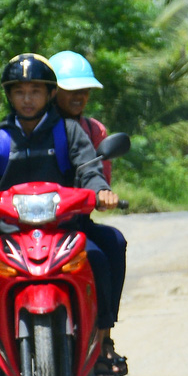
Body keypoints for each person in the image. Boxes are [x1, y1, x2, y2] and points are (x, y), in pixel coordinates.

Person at [0, 54, 123, 376]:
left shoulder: (69, 131)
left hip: (66, 230)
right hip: (10, 234)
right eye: (19, 92)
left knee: (106, 252)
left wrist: (100, 191)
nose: (27, 99)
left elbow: (89, 169)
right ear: (9, 96)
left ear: (48, 94)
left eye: (35, 91)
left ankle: (102, 341)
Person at [49, 49, 128, 346]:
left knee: (112, 244)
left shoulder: (93, 130)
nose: (79, 96)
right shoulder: (29, 128)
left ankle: (104, 336)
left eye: (84, 90)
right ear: (52, 91)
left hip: (73, 221)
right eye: (71, 90)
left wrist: (102, 193)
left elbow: (97, 176)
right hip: (25, 224)